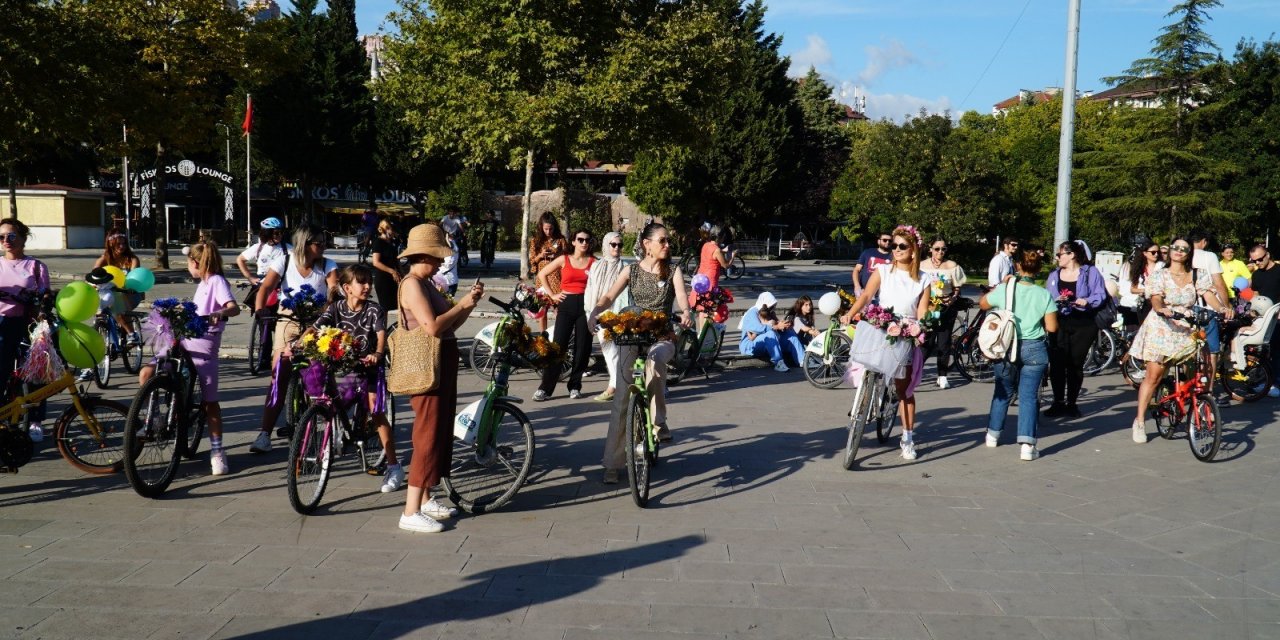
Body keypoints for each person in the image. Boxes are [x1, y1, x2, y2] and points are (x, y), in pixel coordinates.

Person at [396, 224, 485, 533]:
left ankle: (425, 498)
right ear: (424, 255)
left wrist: (467, 304)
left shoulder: (426, 283)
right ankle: (410, 511)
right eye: (437, 257)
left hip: (441, 362)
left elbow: (448, 327)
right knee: (428, 434)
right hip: (427, 366)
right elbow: (432, 327)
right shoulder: (412, 284)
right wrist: (459, 305)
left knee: (440, 430)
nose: (440, 262)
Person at [588, 222, 693, 483]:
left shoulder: (673, 271)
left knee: (655, 362)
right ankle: (612, 463)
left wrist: (687, 313)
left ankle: (658, 423)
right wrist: (594, 313)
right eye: (663, 241)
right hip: (631, 335)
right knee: (621, 399)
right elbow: (609, 296)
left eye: (668, 241)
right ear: (647, 245)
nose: (668, 245)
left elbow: (682, 296)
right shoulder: (631, 270)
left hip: (662, 334)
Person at [140, 240, 239, 474]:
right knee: (146, 372)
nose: (188, 267)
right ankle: (153, 418)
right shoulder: (202, 283)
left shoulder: (216, 280)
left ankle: (217, 451)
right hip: (184, 339)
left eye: (188, 263)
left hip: (204, 345)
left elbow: (233, 307)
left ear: (195, 262)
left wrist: (220, 313)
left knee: (209, 401)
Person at [842, 225, 933, 461]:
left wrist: (920, 327)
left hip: (904, 332)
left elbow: (922, 310)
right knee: (868, 365)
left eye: (902, 246)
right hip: (880, 324)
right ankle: (864, 402)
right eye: (893, 245)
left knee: (904, 391)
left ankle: (908, 438)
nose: (896, 249)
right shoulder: (883, 270)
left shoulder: (923, 279)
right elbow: (865, 296)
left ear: (913, 250)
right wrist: (850, 313)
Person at [309, 265, 402, 493]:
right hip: (343, 364)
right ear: (347, 288)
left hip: (369, 365)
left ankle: (393, 466)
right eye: (362, 282)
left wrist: (378, 354)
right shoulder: (336, 308)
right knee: (324, 392)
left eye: (369, 282)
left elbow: (381, 336)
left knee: (376, 411)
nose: (368, 286)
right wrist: (298, 344)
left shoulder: (374, 309)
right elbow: (315, 327)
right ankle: (335, 430)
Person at [250, 224, 339, 451]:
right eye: (319, 243)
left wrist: (332, 299)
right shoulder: (285, 261)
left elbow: (333, 287)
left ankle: (332, 426)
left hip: (316, 322)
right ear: (305, 244)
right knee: (278, 376)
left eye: (323, 242)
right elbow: (265, 287)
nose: (323, 247)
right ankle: (264, 434)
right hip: (288, 320)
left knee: (319, 375)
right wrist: (260, 310)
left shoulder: (328, 265)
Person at [1129, 236, 1222, 443]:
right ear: (1170, 251)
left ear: (1189, 253)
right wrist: (1161, 308)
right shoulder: (1159, 275)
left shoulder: (1197, 275)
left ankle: (1200, 404)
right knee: (1153, 375)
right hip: (1162, 327)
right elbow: (1155, 298)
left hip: (1186, 326)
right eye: (1175, 247)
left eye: (1184, 248)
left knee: (1202, 367)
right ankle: (1140, 421)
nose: (1179, 251)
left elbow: (1208, 296)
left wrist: (1223, 309)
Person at [982, 245, 1057, 461]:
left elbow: (983, 303)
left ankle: (992, 435)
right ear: (1039, 269)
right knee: (1028, 397)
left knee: (1003, 391)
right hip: (1034, 347)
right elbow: (1052, 328)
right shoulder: (1044, 295)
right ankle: (1026, 445)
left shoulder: (1005, 289)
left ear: (1017, 266)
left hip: (1006, 346)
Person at [1043, 240, 1105, 419]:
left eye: (1060, 254)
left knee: (1074, 364)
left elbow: (1099, 294)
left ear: (1072, 255)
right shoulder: (1055, 275)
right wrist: (1057, 298)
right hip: (1059, 321)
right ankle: (1057, 402)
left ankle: (1072, 403)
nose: (1057, 258)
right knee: (1056, 363)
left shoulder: (1090, 272)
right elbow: (1048, 296)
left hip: (1083, 323)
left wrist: (1087, 301)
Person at [0, 219, 49, 441]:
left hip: (28, 324)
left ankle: (36, 421)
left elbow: (45, 298)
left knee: (35, 373)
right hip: (2, 324)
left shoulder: (36, 267)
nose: (5, 241)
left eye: (11, 236)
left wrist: (41, 304)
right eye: (1, 237)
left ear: (23, 238)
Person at [533, 229, 595, 401]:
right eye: (580, 239)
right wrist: (552, 294)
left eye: (587, 240)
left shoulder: (594, 262)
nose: (584, 243)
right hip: (566, 304)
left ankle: (575, 386)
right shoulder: (564, 259)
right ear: (573, 242)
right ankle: (545, 388)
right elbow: (542, 274)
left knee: (582, 348)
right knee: (558, 347)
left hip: (586, 306)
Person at [583, 231, 630, 403]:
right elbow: (589, 290)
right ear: (606, 245)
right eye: (613, 244)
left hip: (617, 315)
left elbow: (625, 294)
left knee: (617, 352)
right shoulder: (596, 266)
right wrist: (591, 313)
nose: (617, 248)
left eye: (620, 245)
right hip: (599, 313)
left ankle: (614, 386)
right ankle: (616, 385)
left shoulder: (625, 267)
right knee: (608, 351)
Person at [1189, 230, 1235, 394]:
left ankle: (1191, 388)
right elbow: (1219, 284)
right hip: (1206, 307)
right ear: (1204, 241)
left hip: (1185, 308)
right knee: (1211, 350)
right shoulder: (1209, 257)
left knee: (1189, 351)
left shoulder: (1183, 255)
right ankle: (1207, 391)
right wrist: (1226, 305)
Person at [919, 236, 967, 389]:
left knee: (944, 342)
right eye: (937, 249)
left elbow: (957, 286)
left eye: (943, 249)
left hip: (946, 307)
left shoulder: (951, 265)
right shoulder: (922, 265)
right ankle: (916, 372)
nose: (940, 252)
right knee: (926, 342)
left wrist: (953, 298)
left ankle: (942, 375)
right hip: (928, 308)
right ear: (930, 249)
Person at [92, 231, 143, 346]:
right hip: (109, 292)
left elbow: (134, 276)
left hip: (130, 293)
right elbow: (94, 274)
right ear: (111, 244)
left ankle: (132, 334)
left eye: (124, 244)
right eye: (118, 244)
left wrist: (129, 286)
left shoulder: (132, 259)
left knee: (116, 305)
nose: (122, 246)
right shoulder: (103, 259)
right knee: (100, 304)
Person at [1246, 244, 1280, 397]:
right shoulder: (1257, 274)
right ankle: (1263, 379)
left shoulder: (1279, 271)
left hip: (1277, 316)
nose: (1257, 263)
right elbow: (1256, 294)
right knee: (1260, 349)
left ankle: (1276, 383)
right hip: (1264, 317)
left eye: (1260, 259)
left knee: (1277, 350)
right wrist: (1253, 309)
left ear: (1268, 255)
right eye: (1254, 261)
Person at [738, 292, 803, 371]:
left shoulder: (770, 313)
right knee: (770, 334)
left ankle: (802, 360)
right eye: (772, 306)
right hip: (750, 345)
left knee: (790, 334)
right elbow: (759, 329)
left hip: (770, 341)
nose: (773, 308)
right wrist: (776, 327)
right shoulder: (752, 313)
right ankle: (778, 362)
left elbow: (777, 325)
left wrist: (784, 326)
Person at [528, 212, 566, 333]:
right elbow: (532, 260)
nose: (548, 231)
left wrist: (556, 255)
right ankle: (542, 336)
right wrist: (540, 255)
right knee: (542, 310)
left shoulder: (560, 240)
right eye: (545, 229)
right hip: (542, 279)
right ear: (541, 227)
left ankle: (561, 335)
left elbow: (567, 257)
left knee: (558, 309)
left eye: (551, 229)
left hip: (556, 278)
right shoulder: (536, 240)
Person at [1119, 240, 1162, 326]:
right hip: (1144, 304)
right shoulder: (1139, 268)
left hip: (1160, 303)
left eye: (1158, 252)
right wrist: (1146, 290)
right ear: (1145, 253)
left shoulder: (1162, 266)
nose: (1156, 254)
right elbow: (1133, 289)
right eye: (1153, 252)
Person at [370, 220, 401, 312]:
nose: (393, 232)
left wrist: (402, 273)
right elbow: (376, 262)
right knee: (385, 307)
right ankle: (382, 326)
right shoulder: (378, 242)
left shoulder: (392, 243)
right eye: (391, 229)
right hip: (383, 277)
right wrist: (392, 271)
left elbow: (396, 260)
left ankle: (399, 325)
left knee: (400, 304)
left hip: (394, 277)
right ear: (385, 229)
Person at [853, 232, 892, 298]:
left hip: (884, 296)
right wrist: (857, 286)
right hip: (864, 292)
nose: (887, 242)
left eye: (890, 241)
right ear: (878, 241)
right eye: (885, 240)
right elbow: (856, 270)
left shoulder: (894, 256)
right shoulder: (868, 252)